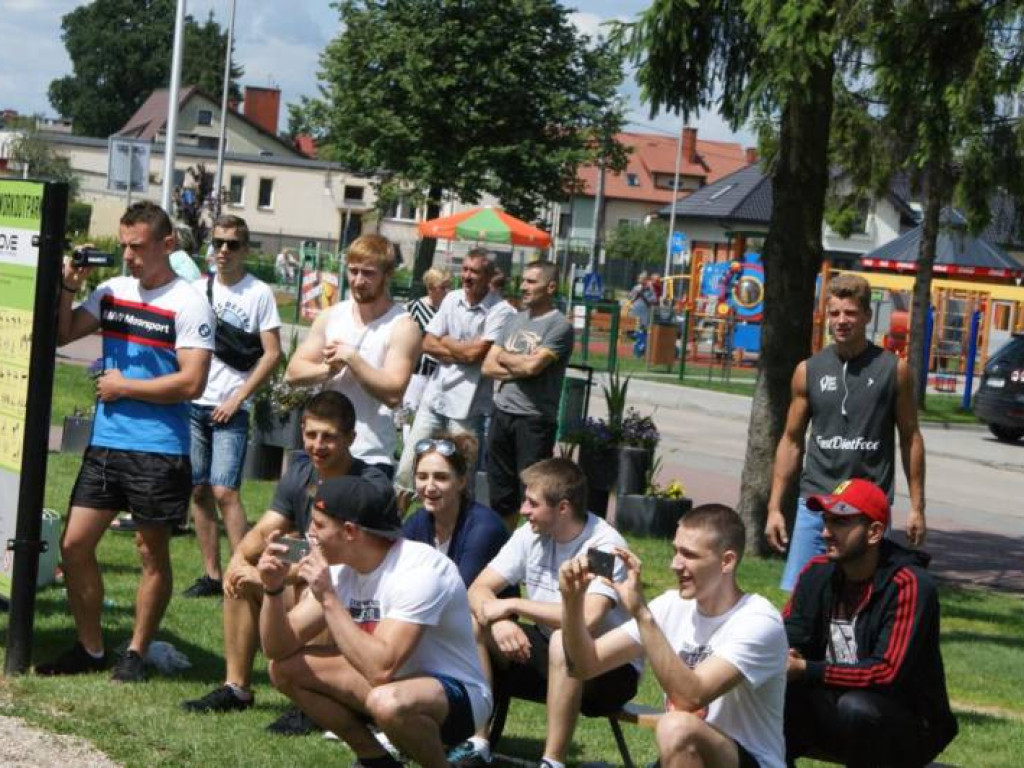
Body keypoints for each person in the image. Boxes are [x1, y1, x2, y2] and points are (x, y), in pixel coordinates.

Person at [38, 201, 214, 683]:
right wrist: (70, 284)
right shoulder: (113, 291)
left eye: (138, 247)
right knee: (74, 546)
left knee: (149, 553)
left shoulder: (189, 301)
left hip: (159, 448)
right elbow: (65, 332)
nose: (129, 257)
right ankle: (91, 647)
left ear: (167, 244)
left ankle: (135, 652)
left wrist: (125, 388)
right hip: (106, 443)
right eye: (124, 247)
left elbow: (192, 383)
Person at [181, 392, 391, 733]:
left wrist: (272, 577)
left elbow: (338, 560)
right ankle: (236, 688)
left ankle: (315, 700)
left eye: (329, 437)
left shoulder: (368, 485)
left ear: (351, 438)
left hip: (360, 593)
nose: (318, 445)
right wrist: (238, 561)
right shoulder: (301, 473)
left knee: (316, 584)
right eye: (311, 435)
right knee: (242, 576)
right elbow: (266, 528)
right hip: (317, 561)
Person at [258, 475, 491, 768]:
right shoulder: (343, 570)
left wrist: (328, 597)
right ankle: (375, 760)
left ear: (350, 531)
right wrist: (273, 589)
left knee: (387, 701)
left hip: (458, 697)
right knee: (284, 669)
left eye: (318, 525)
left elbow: (381, 668)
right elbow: (276, 649)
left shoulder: (421, 570)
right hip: (390, 685)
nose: (308, 535)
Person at [559, 504, 789, 768]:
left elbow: (689, 697)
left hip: (749, 761)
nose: (674, 564)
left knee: (677, 726)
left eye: (689, 555)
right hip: (684, 756)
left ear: (727, 561)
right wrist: (572, 600)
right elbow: (583, 665)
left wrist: (642, 615)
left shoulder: (758, 620)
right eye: (675, 551)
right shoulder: (671, 605)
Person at [461, 458, 637, 768]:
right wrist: (501, 622)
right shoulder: (530, 533)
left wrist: (514, 605)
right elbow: (477, 590)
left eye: (532, 502)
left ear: (563, 508)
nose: (524, 509)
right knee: (477, 623)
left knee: (562, 640)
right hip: (551, 656)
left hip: (609, 670)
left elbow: (586, 619)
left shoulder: (604, 546)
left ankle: (552, 763)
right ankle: (477, 745)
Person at [765, 273, 926, 590]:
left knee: (865, 599)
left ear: (867, 316)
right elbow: (792, 441)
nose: (841, 321)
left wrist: (917, 508)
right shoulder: (808, 370)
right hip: (816, 503)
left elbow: (911, 438)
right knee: (802, 599)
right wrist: (774, 507)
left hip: (867, 508)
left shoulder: (894, 370)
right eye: (835, 313)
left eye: (850, 313)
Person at [782, 478, 957, 766]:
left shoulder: (909, 585)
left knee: (858, 708)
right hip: (833, 705)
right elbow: (790, 633)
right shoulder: (817, 572)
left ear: (874, 532)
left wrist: (805, 669)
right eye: (825, 521)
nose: (825, 532)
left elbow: (885, 672)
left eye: (839, 522)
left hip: (909, 722)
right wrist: (785, 654)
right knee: (767, 690)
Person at [182, 215, 283, 598]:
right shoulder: (196, 288)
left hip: (232, 407)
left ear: (245, 249)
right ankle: (211, 574)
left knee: (226, 491)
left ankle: (243, 571)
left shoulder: (258, 293)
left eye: (233, 244)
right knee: (198, 490)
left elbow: (272, 354)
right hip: (195, 403)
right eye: (219, 242)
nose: (224, 250)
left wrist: (239, 397)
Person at [286, 233, 420, 476]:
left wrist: (352, 358)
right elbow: (293, 373)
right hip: (322, 450)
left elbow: (393, 392)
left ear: (388, 275)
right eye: (353, 271)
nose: (358, 280)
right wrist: (327, 369)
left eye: (368, 273)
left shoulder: (402, 326)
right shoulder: (331, 316)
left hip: (369, 455)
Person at [397, 250, 515, 493]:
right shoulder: (452, 299)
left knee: (460, 478)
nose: (467, 276)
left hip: (467, 408)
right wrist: (463, 350)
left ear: (490, 276)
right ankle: (394, 524)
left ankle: (459, 528)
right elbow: (428, 342)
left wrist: (447, 341)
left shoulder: (501, 311)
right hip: (434, 398)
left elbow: (476, 355)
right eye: (465, 269)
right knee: (407, 470)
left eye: (475, 271)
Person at [482, 261, 574, 525]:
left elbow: (534, 366)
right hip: (502, 413)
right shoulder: (514, 320)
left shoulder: (559, 326)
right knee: (500, 491)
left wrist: (511, 360)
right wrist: (521, 365)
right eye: (523, 280)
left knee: (534, 492)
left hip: (533, 420)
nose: (523, 287)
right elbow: (489, 365)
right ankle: (503, 544)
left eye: (531, 282)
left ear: (551, 287)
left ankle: (538, 544)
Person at [402, 433, 509, 587]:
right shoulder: (418, 521)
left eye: (441, 477)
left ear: (461, 481)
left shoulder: (484, 528)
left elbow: (458, 591)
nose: (430, 487)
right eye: (422, 477)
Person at [402, 267, 450, 417]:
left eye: (448, 286)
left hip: (442, 372)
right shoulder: (412, 308)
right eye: (442, 287)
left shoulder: (449, 309)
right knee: (411, 414)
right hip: (418, 372)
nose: (447, 291)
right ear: (430, 288)